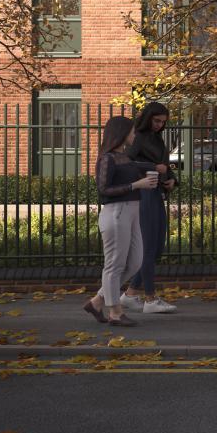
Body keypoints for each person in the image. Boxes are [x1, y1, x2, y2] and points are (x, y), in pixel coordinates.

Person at [85, 115, 156, 327]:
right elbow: (103, 189)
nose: (135, 135)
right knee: (114, 265)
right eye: (132, 131)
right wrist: (137, 185)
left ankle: (97, 301)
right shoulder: (106, 158)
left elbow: (140, 166)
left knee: (135, 261)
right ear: (121, 133)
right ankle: (115, 312)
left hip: (132, 211)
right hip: (116, 212)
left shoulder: (124, 157)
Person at [122, 101, 178, 315]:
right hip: (143, 194)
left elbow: (165, 165)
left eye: (163, 122)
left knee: (157, 248)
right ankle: (150, 299)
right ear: (148, 118)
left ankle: (130, 295)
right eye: (156, 120)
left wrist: (172, 179)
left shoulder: (157, 138)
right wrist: (152, 168)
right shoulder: (138, 137)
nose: (159, 125)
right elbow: (126, 163)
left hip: (156, 193)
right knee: (148, 247)